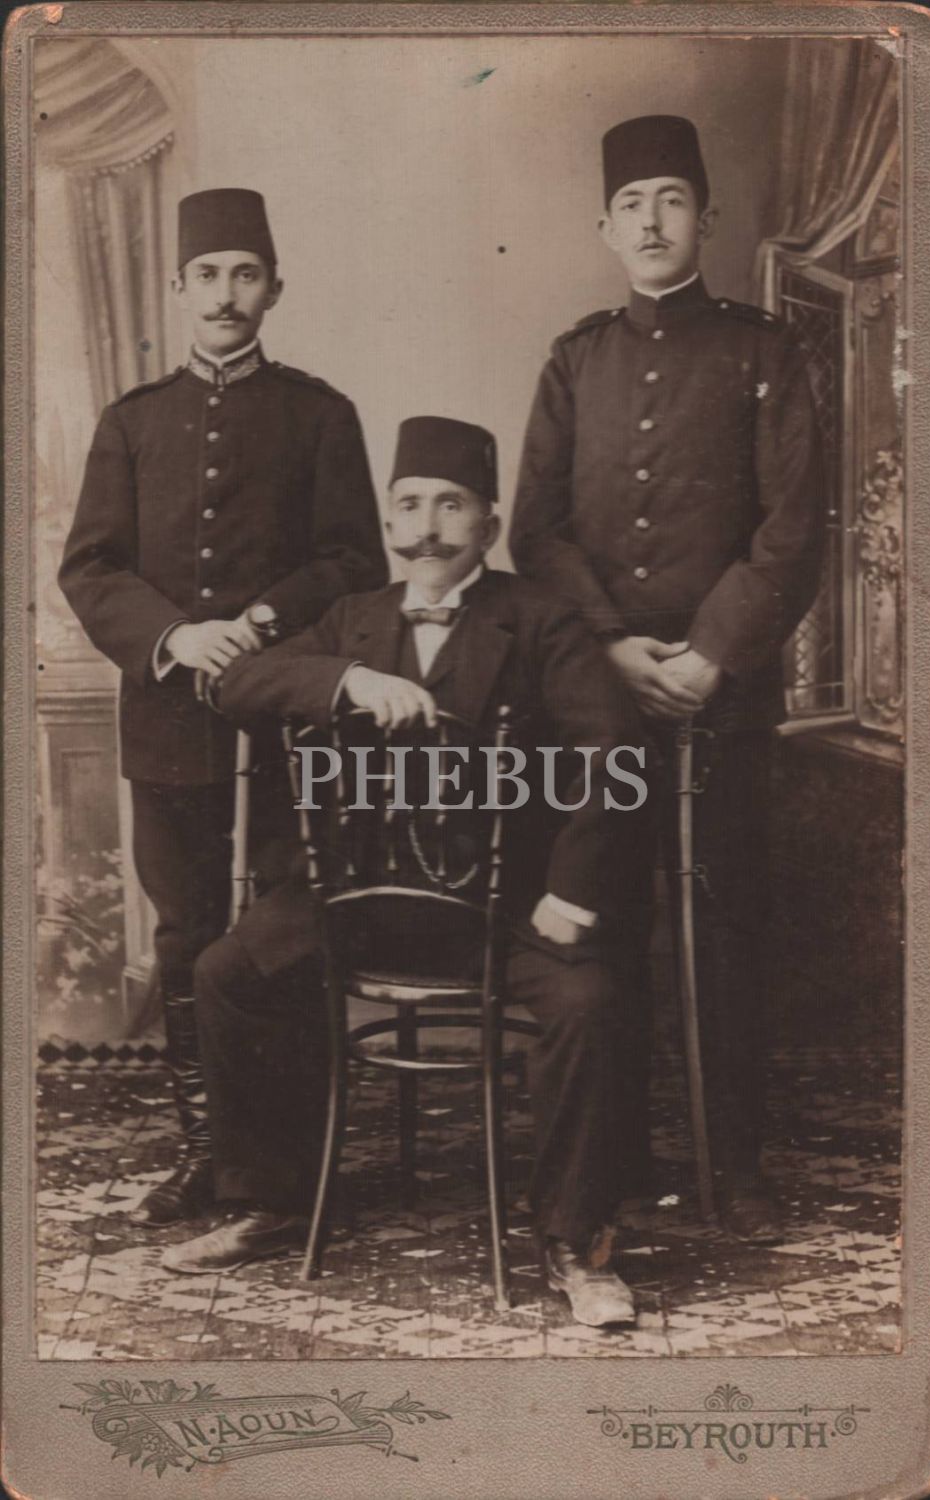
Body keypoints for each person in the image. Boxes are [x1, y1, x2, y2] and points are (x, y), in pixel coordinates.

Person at [161, 415, 653, 1328]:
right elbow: (234, 684)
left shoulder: (540, 620)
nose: (428, 527)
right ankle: (273, 1200)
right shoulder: (351, 620)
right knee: (226, 972)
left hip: (503, 903)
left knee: (590, 1002)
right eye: (411, 505)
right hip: (359, 898)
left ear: (488, 523)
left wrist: (571, 894)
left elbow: (617, 754)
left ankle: (574, 1240)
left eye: (451, 505)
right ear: (389, 521)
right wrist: (344, 680)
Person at [511, 116, 825, 1242]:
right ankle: (622, 1155)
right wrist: (605, 644)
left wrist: (707, 652)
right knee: (602, 919)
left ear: (706, 219)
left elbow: (793, 527)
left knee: (723, 925)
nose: (651, 221)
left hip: (721, 688)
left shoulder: (763, 353)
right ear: (605, 227)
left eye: (671, 200)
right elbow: (535, 529)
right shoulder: (576, 359)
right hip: (596, 697)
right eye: (631, 204)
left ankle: (731, 1162)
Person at [59, 188, 387, 1229]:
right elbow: (90, 568)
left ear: (273, 289)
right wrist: (175, 638)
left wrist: (259, 620)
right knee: (186, 936)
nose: (225, 294)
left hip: (287, 726)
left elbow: (353, 562)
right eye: (207, 275)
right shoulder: (131, 422)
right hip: (167, 725)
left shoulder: (320, 415)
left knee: (282, 937)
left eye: (245, 274)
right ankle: (207, 1152)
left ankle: (292, 1162)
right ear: (177, 287)